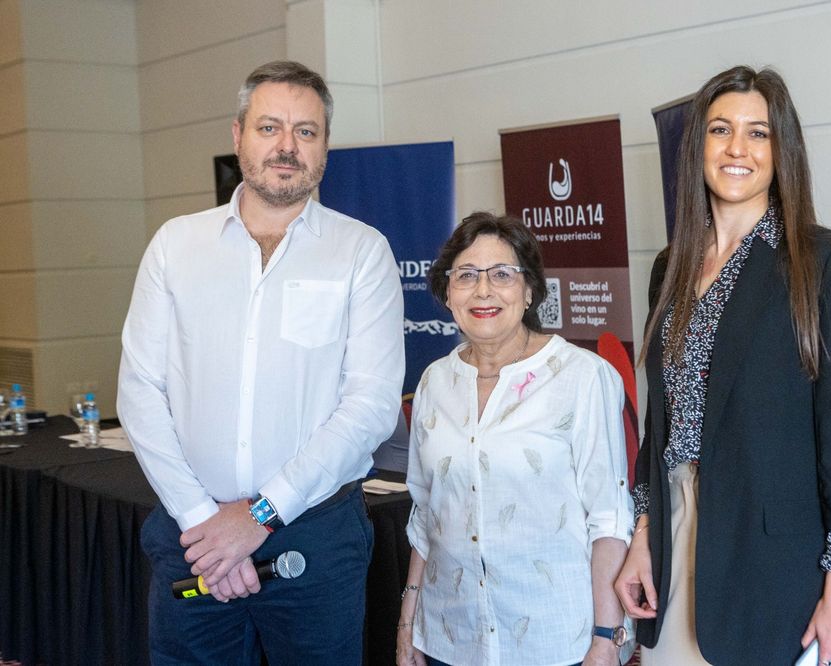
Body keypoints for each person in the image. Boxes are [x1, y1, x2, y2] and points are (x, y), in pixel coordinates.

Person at [118, 60, 404, 665]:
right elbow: (140, 391)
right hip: (189, 534)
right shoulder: (176, 244)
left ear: (325, 146)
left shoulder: (362, 252)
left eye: (306, 131)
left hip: (315, 538)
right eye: (269, 127)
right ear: (238, 134)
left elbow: (372, 405)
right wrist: (207, 525)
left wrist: (260, 516)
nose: (287, 146)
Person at [613, 66, 831, 666]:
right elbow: (661, 427)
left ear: (780, 150)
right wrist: (644, 534)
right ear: (698, 149)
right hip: (676, 530)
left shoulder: (820, 261)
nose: (737, 147)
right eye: (720, 129)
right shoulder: (671, 267)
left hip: (770, 553)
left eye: (757, 133)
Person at [395, 212, 634, 666]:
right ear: (448, 294)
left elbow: (608, 516)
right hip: (451, 637)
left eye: (502, 274)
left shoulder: (581, 378)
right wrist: (409, 624)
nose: (483, 290)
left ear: (529, 291)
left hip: (555, 640)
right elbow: (427, 515)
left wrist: (607, 638)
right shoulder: (433, 383)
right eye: (466, 275)